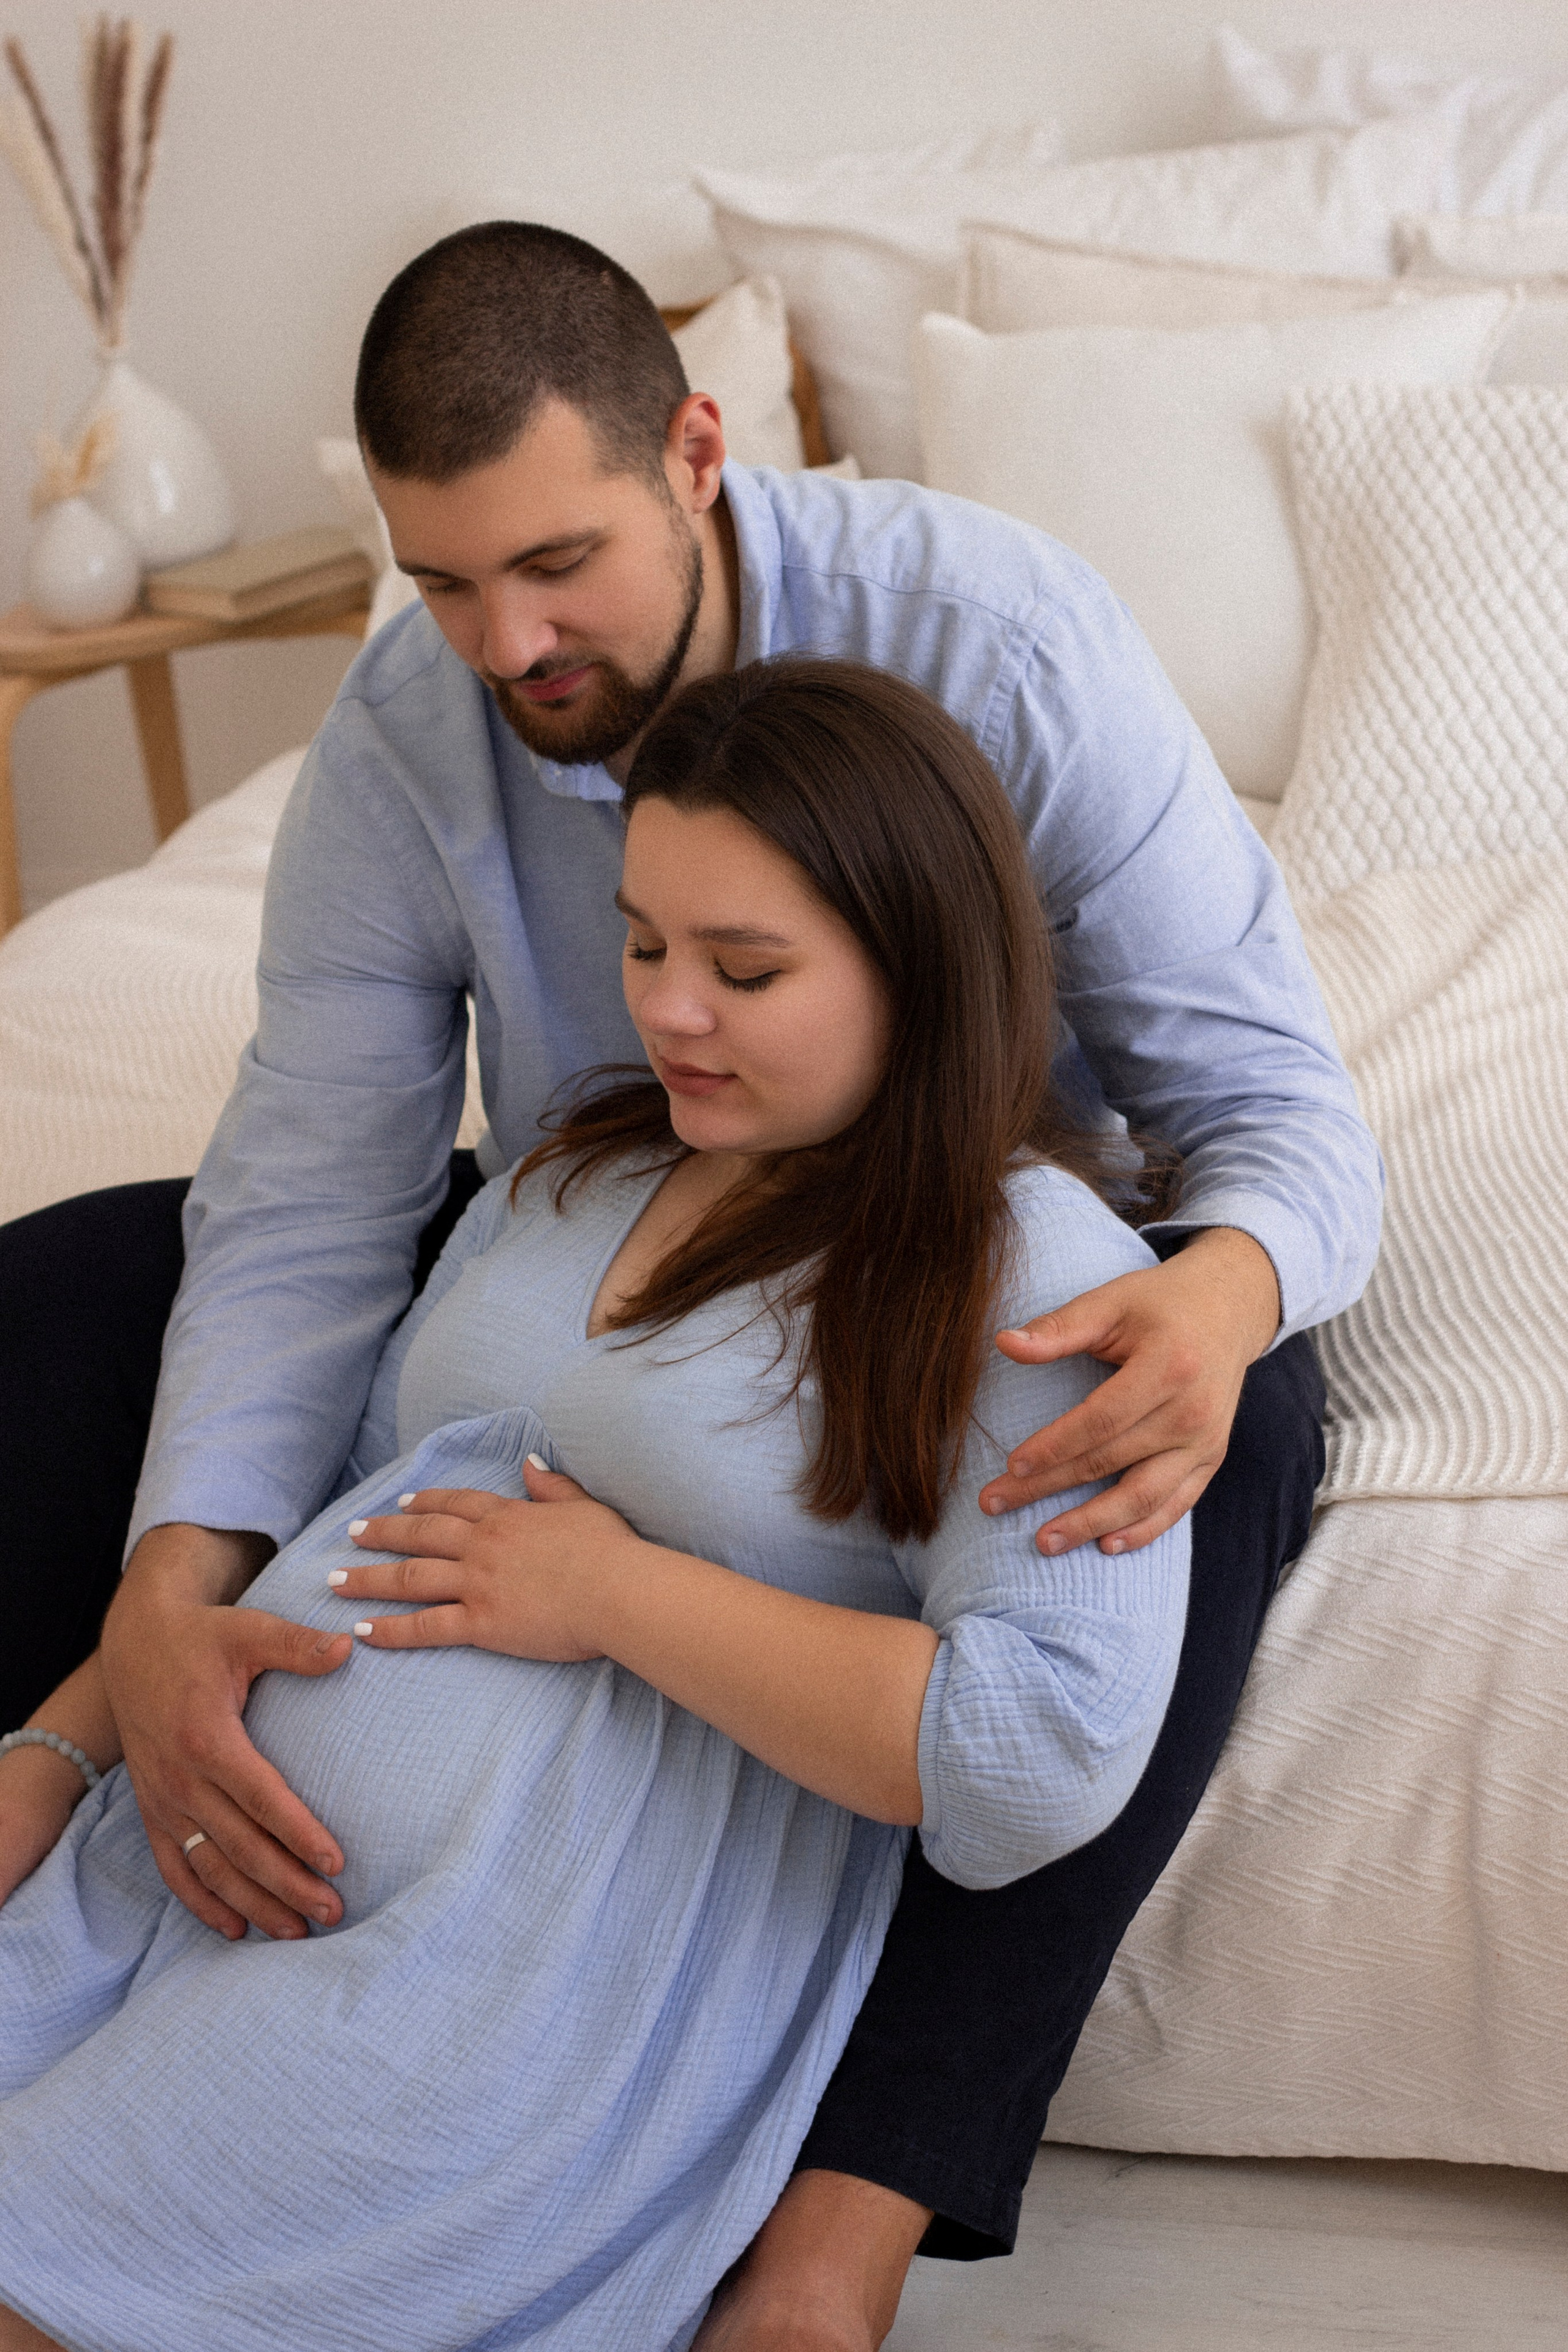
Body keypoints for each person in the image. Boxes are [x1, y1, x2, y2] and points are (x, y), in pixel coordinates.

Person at [0, 224, 1372, 2346]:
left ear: (697, 455)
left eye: (555, 566)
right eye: (441, 580)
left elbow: (1280, 1110)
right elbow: (312, 1196)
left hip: (964, 1233)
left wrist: (1214, 1299)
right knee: (79, 1279)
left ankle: (844, 2233)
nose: (505, 640)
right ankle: (78, 1786)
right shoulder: (414, 723)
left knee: (1226, 1416)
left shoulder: (995, 643)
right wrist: (160, 1609)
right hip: (616, 1181)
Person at [0, 658, 1192, 2352]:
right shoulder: (583, 1160)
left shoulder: (1030, 1272)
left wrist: (612, 1595)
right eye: (645, 943)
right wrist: (66, 1745)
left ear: (918, 972)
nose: (670, 1011)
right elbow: (338, 1481)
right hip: (182, 1879)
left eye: (747, 968)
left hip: (496, 1987)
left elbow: (1037, 1754)